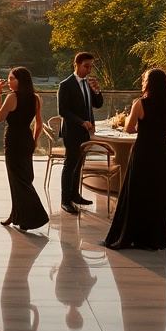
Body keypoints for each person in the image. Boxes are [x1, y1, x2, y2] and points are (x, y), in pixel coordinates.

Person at [104, 68, 166, 250]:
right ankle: (154, 238)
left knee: (137, 191)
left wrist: (146, 129)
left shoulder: (141, 104)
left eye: (144, 80)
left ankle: (131, 234)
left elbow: (129, 128)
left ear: (149, 83)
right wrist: (161, 131)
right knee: (158, 193)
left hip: (144, 150)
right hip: (162, 151)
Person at [0, 67, 49, 231]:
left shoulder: (11, 97)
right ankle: (15, 214)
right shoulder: (35, 98)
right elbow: (39, 124)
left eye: (12, 79)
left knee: (18, 180)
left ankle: (38, 216)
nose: (9, 82)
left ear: (21, 80)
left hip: (13, 141)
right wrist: (34, 141)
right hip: (26, 139)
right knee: (22, 178)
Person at [57, 52, 104, 214]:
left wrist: (97, 90)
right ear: (76, 64)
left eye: (91, 66)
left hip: (85, 132)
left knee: (79, 164)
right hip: (72, 132)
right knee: (70, 165)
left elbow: (98, 105)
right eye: (86, 66)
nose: (89, 70)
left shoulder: (88, 83)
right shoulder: (66, 85)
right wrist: (81, 121)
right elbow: (63, 110)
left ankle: (75, 195)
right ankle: (65, 200)